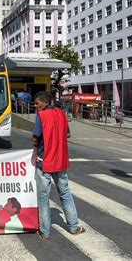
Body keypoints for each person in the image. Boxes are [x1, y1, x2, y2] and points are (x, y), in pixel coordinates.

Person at [32, 91, 85, 240]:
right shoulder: (61, 114)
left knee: (43, 197)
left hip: (45, 162)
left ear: (45, 102)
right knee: (65, 194)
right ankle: (74, 227)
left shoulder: (41, 116)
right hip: (60, 161)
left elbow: (35, 138)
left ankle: (44, 231)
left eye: (37, 103)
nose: (36, 106)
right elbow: (67, 134)